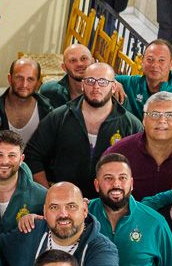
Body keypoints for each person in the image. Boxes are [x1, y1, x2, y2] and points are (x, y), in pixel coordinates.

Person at [25, 63, 138, 195]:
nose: (96, 87)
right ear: (83, 85)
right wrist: (49, 194)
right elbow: (32, 155)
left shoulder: (131, 125)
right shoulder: (58, 117)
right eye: (90, 81)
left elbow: (139, 167)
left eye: (102, 81)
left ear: (113, 87)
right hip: (64, 202)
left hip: (108, 206)